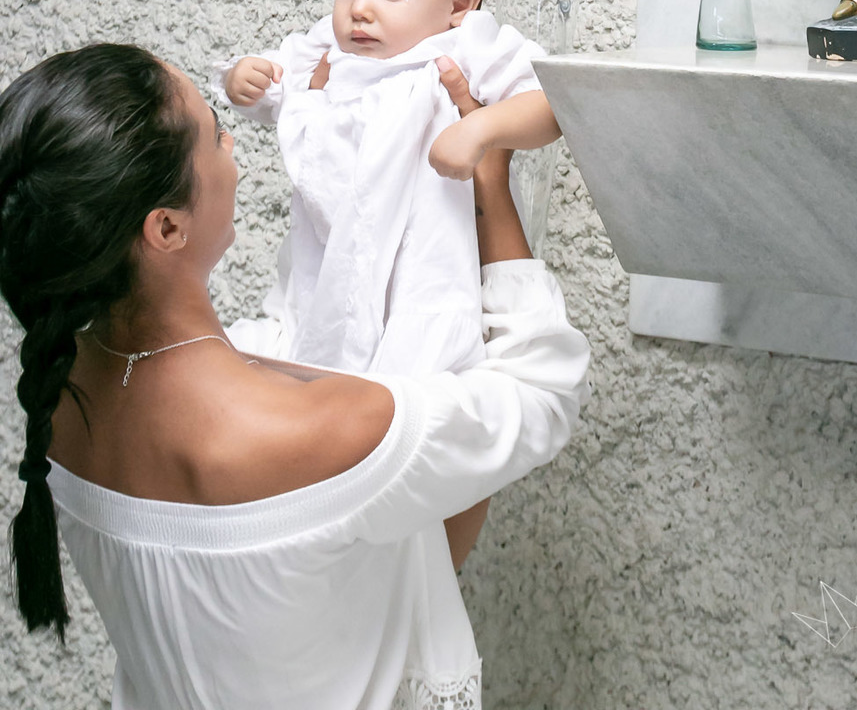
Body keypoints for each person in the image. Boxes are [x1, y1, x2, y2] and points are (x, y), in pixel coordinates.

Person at [0, 42, 588, 709]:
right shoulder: (320, 427)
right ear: (165, 228)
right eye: (216, 136)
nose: (236, 156)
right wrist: (491, 191)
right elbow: (542, 392)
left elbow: (284, 340)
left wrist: (337, 189)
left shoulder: (57, 399)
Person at [214, 0, 561, 380]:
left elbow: (551, 104)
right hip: (329, 270)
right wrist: (243, 77)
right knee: (311, 356)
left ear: (460, 3)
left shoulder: (465, 45)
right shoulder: (332, 48)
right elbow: (276, 85)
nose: (359, 8)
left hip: (420, 274)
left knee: (409, 378)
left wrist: (482, 128)